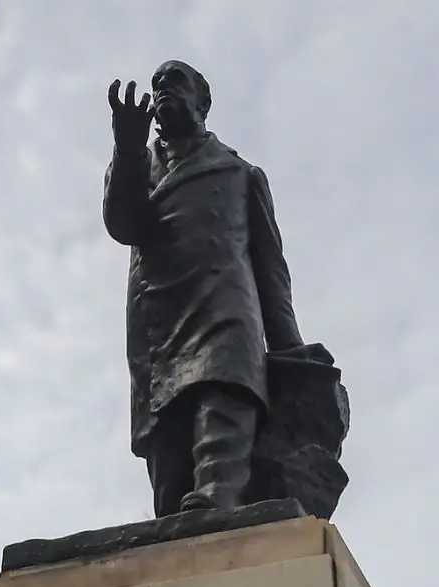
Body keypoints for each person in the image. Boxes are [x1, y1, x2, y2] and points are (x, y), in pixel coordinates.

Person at [104, 60, 305, 516]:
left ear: (203, 102)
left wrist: (290, 350)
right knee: (170, 475)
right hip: (160, 326)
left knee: (224, 401)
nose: (161, 91)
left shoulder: (240, 174)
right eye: (156, 86)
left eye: (173, 81)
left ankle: (218, 495)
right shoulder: (137, 165)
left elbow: (271, 270)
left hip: (225, 310)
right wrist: (128, 148)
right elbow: (123, 223)